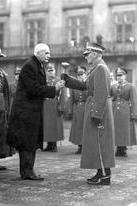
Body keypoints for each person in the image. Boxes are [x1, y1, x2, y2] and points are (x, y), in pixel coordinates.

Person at [7, 43, 65, 180]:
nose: (49, 56)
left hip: (30, 110)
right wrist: (54, 89)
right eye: (46, 53)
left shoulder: (36, 65)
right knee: (27, 142)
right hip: (25, 112)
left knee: (30, 141)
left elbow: (37, 88)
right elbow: (34, 88)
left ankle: (28, 170)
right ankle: (27, 172)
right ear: (38, 53)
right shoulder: (30, 66)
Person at [61, 42, 115, 185]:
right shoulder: (96, 68)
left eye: (87, 54)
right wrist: (68, 80)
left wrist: (97, 114)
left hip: (99, 110)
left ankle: (104, 175)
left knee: (100, 143)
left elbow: (102, 93)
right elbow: (86, 85)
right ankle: (100, 172)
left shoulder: (101, 69)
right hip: (95, 107)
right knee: (95, 142)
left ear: (95, 54)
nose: (86, 58)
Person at [111, 67, 137, 157]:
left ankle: (123, 148)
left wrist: (134, 114)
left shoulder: (130, 86)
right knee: (116, 129)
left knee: (124, 130)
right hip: (114, 110)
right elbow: (108, 96)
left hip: (125, 110)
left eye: (121, 74)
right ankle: (118, 147)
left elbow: (134, 101)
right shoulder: (113, 86)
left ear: (125, 75)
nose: (119, 76)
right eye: (117, 74)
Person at [43, 64, 64, 152]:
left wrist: (61, 106)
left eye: (52, 70)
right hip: (45, 104)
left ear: (55, 70)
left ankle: (54, 145)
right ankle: (49, 144)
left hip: (55, 104)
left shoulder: (58, 80)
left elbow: (62, 95)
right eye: (48, 70)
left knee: (54, 125)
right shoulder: (43, 81)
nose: (50, 72)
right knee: (47, 125)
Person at [68, 66, 88, 154]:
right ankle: (80, 146)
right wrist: (70, 111)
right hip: (77, 108)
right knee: (78, 128)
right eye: (78, 74)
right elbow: (71, 99)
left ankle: (87, 146)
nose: (80, 75)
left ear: (86, 73)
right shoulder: (74, 85)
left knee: (86, 128)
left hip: (87, 107)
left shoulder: (89, 84)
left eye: (82, 73)